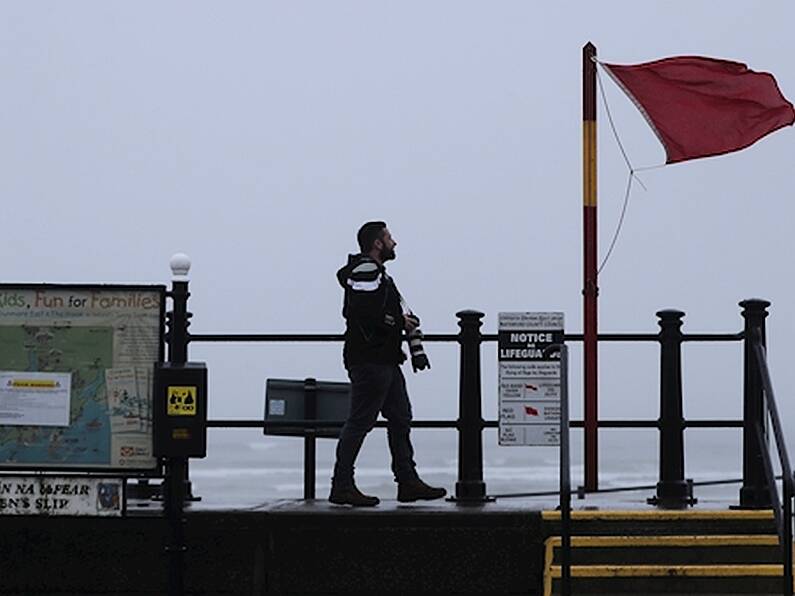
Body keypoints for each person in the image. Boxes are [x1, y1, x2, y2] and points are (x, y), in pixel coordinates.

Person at [329, 221, 447, 507]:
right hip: (371, 360)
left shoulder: (372, 273)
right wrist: (397, 324)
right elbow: (362, 311)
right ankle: (342, 485)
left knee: (400, 416)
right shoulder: (367, 271)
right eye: (390, 237)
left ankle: (407, 482)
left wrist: (398, 321)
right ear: (378, 243)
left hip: (384, 359)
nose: (395, 242)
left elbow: (372, 311)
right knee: (360, 422)